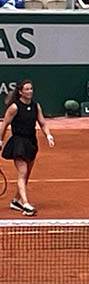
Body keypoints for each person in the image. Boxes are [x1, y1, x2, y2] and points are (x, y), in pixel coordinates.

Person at [1, 78, 54, 215]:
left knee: (27, 175)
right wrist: (0, 141)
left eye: (31, 89)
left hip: (31, 143)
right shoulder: (14, 107)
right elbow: (4, 125)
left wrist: (48, 135)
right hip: (18, 143)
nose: (30, 91)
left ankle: (16, 201)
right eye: (27, 89)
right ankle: (25, 204)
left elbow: (42, 123)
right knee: (22, 172)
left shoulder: (36, 106)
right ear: (20, 92)